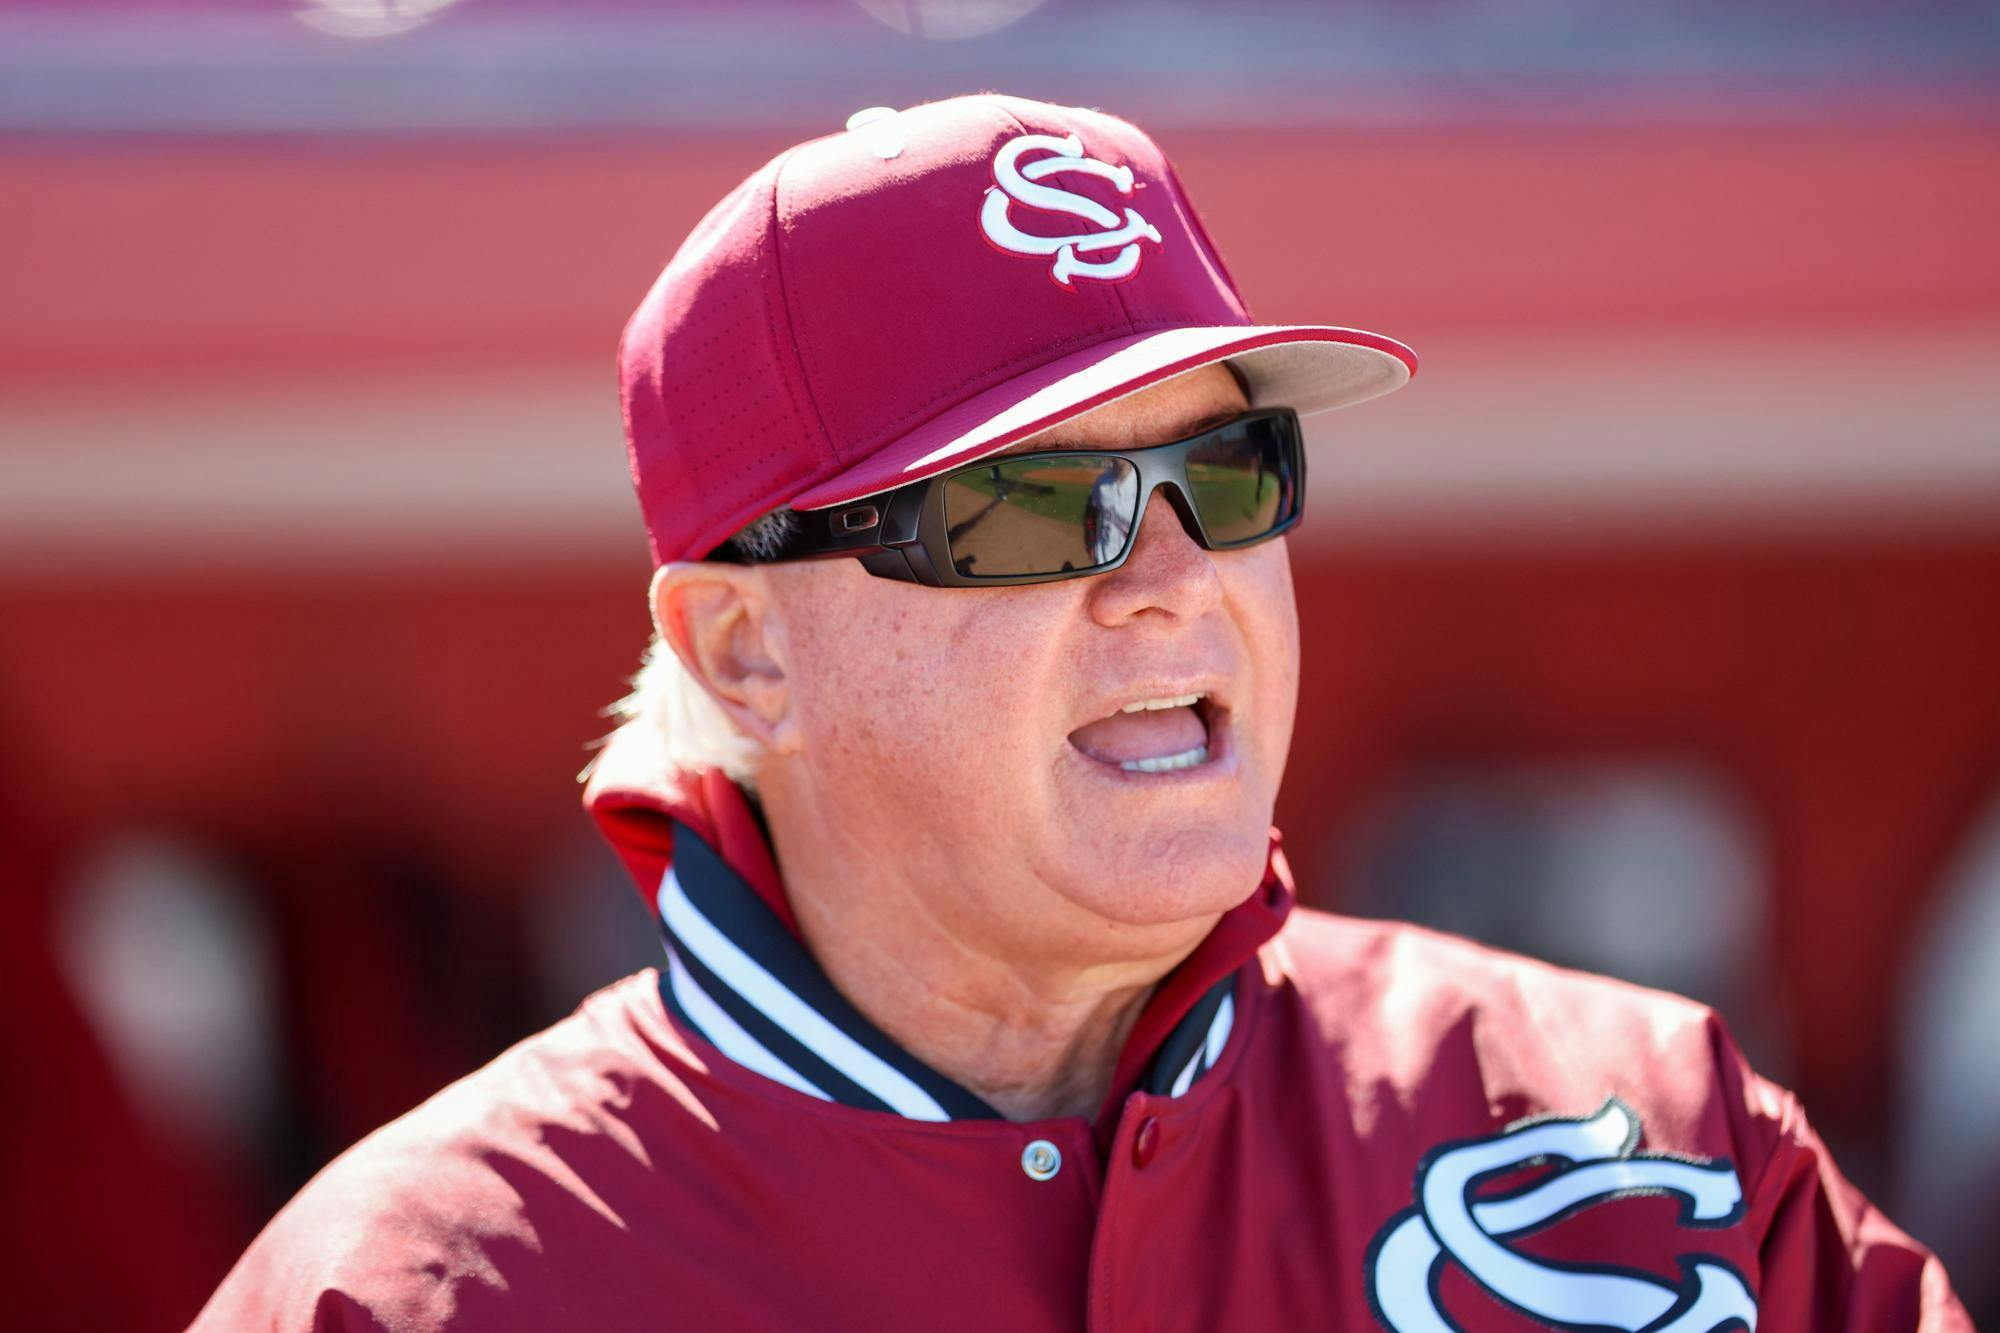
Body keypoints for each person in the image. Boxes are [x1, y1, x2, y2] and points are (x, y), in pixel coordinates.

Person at [192, 92, 1968, 1331]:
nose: (1173, 577)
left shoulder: (1657, 1127)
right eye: (1031, 508)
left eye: (1231, 469)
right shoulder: (409, 1290)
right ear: (743, 652)